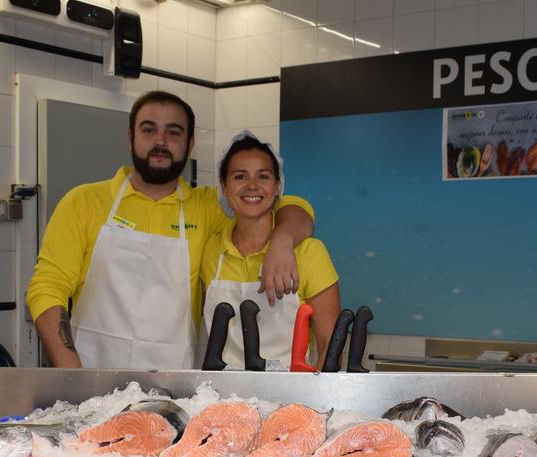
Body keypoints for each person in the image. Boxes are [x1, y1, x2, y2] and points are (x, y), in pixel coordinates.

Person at [25, 91, 316, 369]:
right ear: (130, 137)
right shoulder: (84, 201)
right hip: (91, 377)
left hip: (175, 388)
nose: (160, 141)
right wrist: (71, 374)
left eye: (173, 132)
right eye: (148, 130)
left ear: (189, 145)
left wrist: (282, 240)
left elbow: (295, 207)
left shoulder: (208, 207)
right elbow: (47, 288)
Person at [199, 131, 339, 370]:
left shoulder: (309, 252)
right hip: (220, 398)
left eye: (263, 177)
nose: (252, 186)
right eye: (240, 176)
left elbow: (330, 344)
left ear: (277, 186)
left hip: (290, 399)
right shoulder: (211, 249)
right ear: (224, 187)